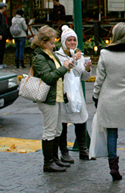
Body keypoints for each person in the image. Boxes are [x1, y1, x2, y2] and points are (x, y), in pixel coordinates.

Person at [93, 22, 125, 182]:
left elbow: (100, 78)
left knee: (112, 133)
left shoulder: (105, 54)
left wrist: (95, 95)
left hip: (108, 97)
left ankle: (113, 168)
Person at [31, 25, 74, 172]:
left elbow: (56, 73)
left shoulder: (49, 54)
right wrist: (64, 68)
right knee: (50, 130)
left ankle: (55, 159)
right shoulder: (39, 57)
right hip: (47, 97)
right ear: (43, 42)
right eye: (51, 42)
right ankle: (48, 162)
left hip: (56, 95)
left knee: (57, 129)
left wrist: (64, 67)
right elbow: (49, 77)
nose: (53, 45)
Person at [55, 25, 92, 163]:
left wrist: (87, 68)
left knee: (80, 120)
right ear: (64, 42)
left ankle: (83, 150)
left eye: (74, 40)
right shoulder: (58, 56)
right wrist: (73, 60)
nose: (72, 43)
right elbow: (63, 71)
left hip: (76, 93)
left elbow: (83, 76)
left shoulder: (79, 55)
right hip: (64, 93)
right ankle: (64, 151)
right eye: (69, 40)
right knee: (63, 123)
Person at [0, 2, 8, 68]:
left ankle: (1, 62)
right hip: (1, 35)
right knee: (0, 48)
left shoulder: (2, 15)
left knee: (2, 48)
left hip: (3, 35)